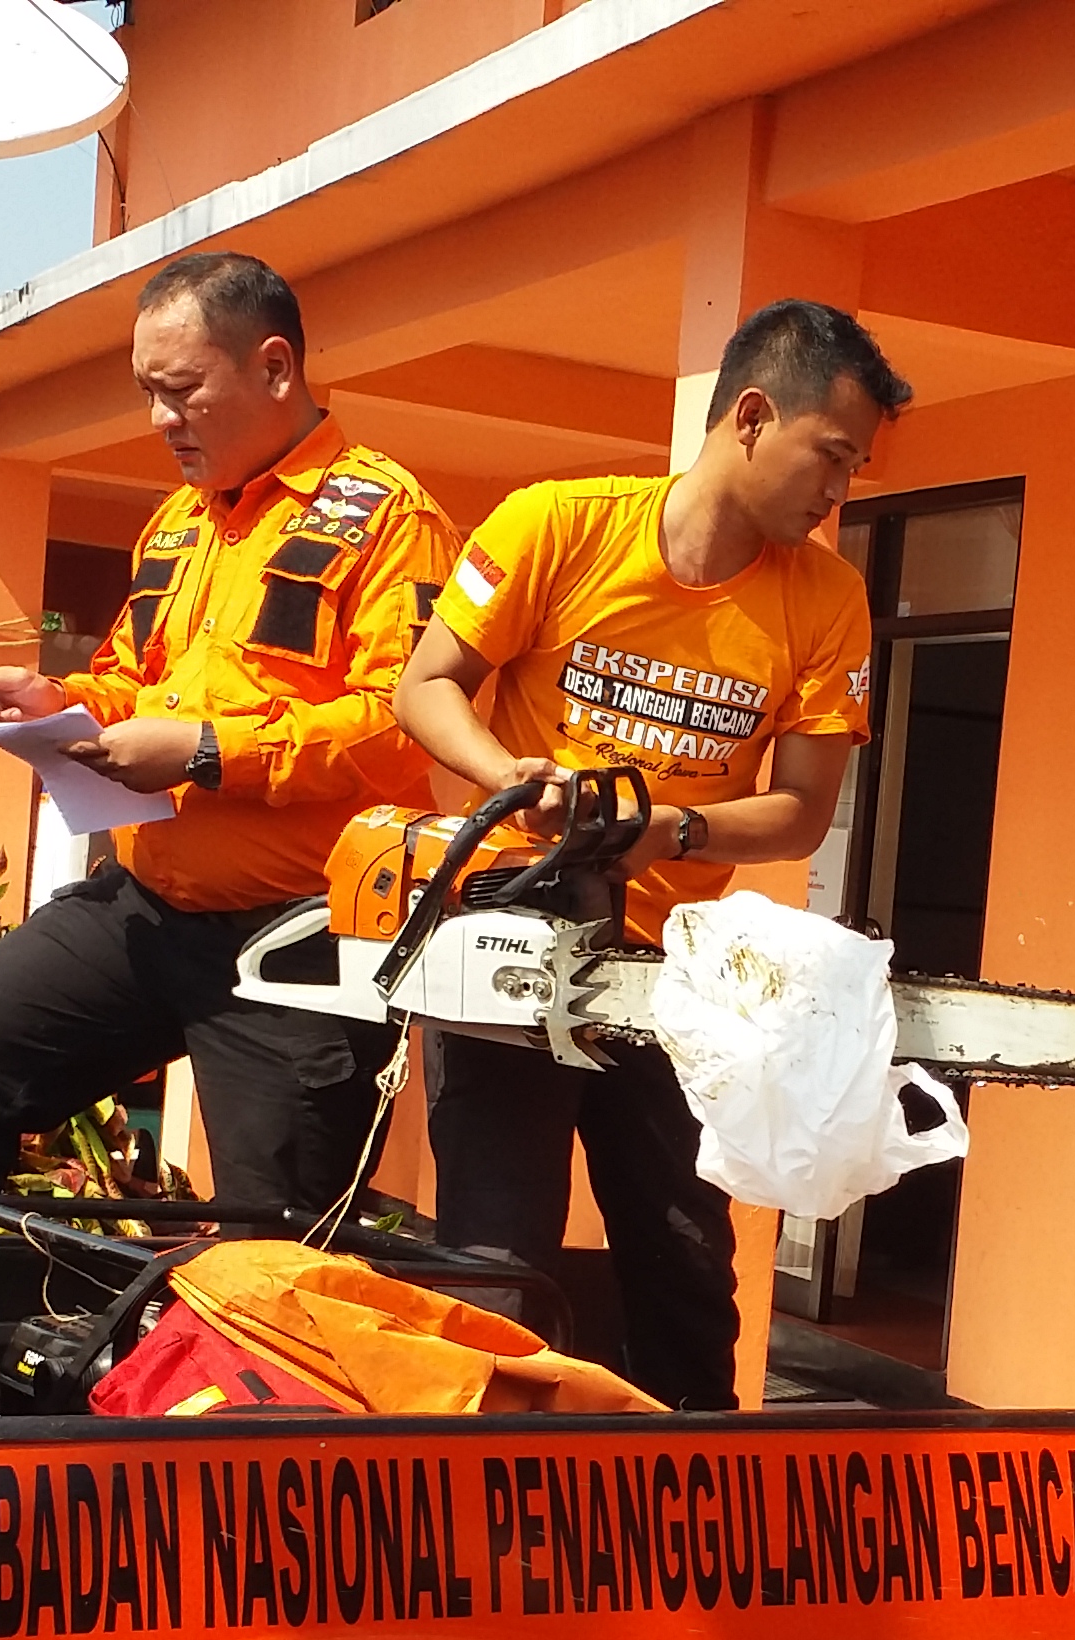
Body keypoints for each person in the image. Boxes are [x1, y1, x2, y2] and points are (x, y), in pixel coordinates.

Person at [0, 251, 458, 1407]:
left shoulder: (390, 520)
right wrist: (59, 702)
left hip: (299, 944)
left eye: (183, 390)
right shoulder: (177, 524)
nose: (161, 419)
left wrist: (211, 750)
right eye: (148, 393)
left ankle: (264, 1484)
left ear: (275, 367)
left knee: (278, 1248)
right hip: (146, 906)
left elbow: (401, 726)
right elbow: (137, 678)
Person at [387, 298, 901, 1410]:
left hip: (669, 975)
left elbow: (801, 811)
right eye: (832, 454)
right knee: (497, 1270)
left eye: (854, 466)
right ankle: (488, 1488)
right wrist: (511, 777)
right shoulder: (555, 526)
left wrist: (670, 829)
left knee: (685, 1268)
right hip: (508, 949)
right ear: (752, 417)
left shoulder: (829, 598)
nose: (839, 488)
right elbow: (424, 686)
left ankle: (696, 1488)